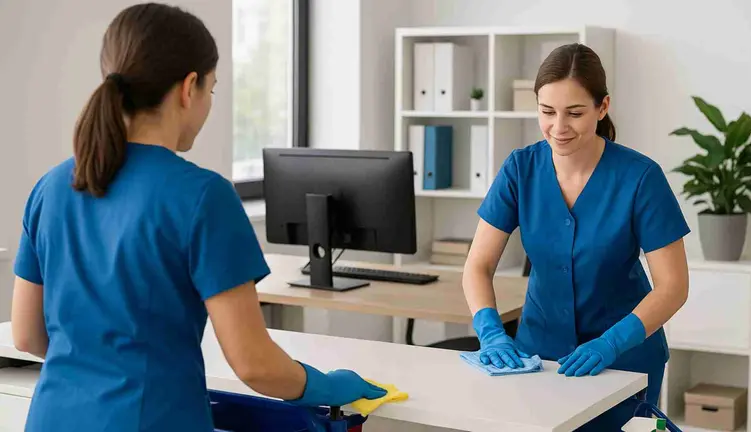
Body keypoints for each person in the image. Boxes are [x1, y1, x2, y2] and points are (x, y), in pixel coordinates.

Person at [10, 3, 384, 431]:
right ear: (189, 88)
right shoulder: (202, 195)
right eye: (211, 89)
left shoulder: (51, 187)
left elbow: (27, 335)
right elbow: (254, 364)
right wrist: (327, 385)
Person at [461, 43, 690, 430]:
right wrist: (491, 334)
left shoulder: (640, 178)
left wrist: (611, 343)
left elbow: (673, 286)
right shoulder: (521, 168)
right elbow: (478, 266)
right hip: (538, 360)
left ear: (603, 108)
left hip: (624, 362)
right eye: (547, 111)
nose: (558, 127)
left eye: (575, 113)